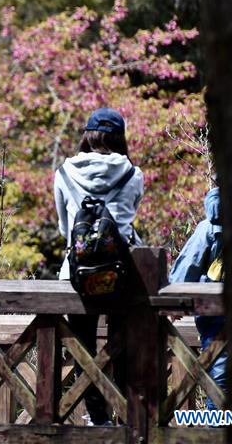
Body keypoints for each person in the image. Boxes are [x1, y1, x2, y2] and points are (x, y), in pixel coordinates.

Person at [54, 107, 144, 426]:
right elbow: (128, 222)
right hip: (122, 273)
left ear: (87, 135)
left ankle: (96, 418)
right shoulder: (133, 174)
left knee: (82, 348)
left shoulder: (64, 173)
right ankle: (125, 416)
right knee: (122, 345)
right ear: (120, 138)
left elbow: (66, 231)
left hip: (78, 275)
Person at [168, 187, 226, 410]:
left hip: (214, 314)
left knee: (219, 379)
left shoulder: (208, 228)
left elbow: (187, 266)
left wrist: (174, 302)